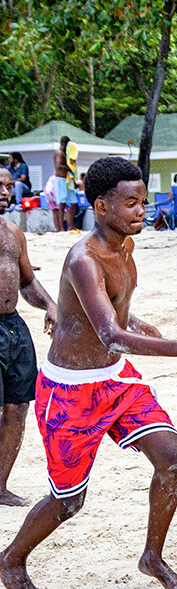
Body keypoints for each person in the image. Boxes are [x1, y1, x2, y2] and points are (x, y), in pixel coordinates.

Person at [0, 157, 177, 589]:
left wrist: (139, 323)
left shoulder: (126, 247)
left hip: (116, 380)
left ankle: (153, 557)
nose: (141, 210)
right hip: (69, 392)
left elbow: (112, 311)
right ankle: (10, 559)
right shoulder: (83, 259)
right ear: (101, 207)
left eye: (143, 201)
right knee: (68, 502)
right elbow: (109, 333)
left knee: (173, 458)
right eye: (131, 203)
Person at [0, 168, 58, 507]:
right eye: (0, 185)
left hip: (13, 326)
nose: (6, 191)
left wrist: (50, 304)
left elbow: (26, 283)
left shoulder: (13, 233)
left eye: (9, 185)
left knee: (18, 406)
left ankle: (1, 486)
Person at [49, 136, 79, 232]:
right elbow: (58, 166)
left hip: (67, 180)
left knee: (74, 202)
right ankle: (61, 228)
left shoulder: (67, 154)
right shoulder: (59, 152)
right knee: (62, 203)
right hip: (60, 179)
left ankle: (71, 225)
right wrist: (69, 168)